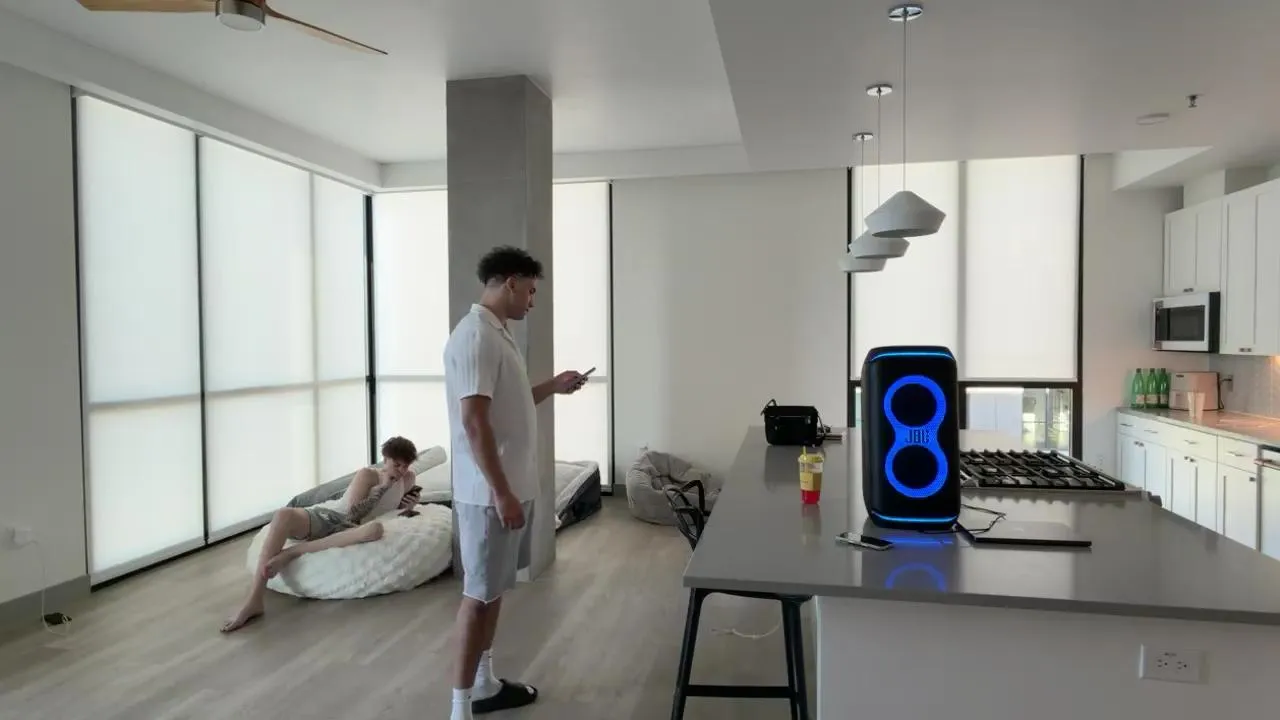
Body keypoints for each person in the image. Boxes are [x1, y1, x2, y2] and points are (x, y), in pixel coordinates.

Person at [444, 246, 587, 719]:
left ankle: (484, 684)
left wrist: (554, 386)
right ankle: (460, 708)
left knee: (493, 593)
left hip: (508, 490)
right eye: (529, 291)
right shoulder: (474, 337)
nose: (532, 301)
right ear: (510, 283)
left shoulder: (496, 334)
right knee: (477, 597)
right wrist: (502, 492)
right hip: (489, 495)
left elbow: (509, 402)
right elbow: (474, 423)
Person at [219, 436, 422, 633]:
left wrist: (409, 506)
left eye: (405, 466)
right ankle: (254, 599)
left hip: (353, 530)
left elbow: (390, 511)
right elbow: (352, 515)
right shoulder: (368, 475)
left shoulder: (409, 479)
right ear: (385, 459)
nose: (401, 471)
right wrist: (382, 487)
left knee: (375, 529)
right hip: (333, 518)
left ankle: (292, 553)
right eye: (396, 465)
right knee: (283, 515)